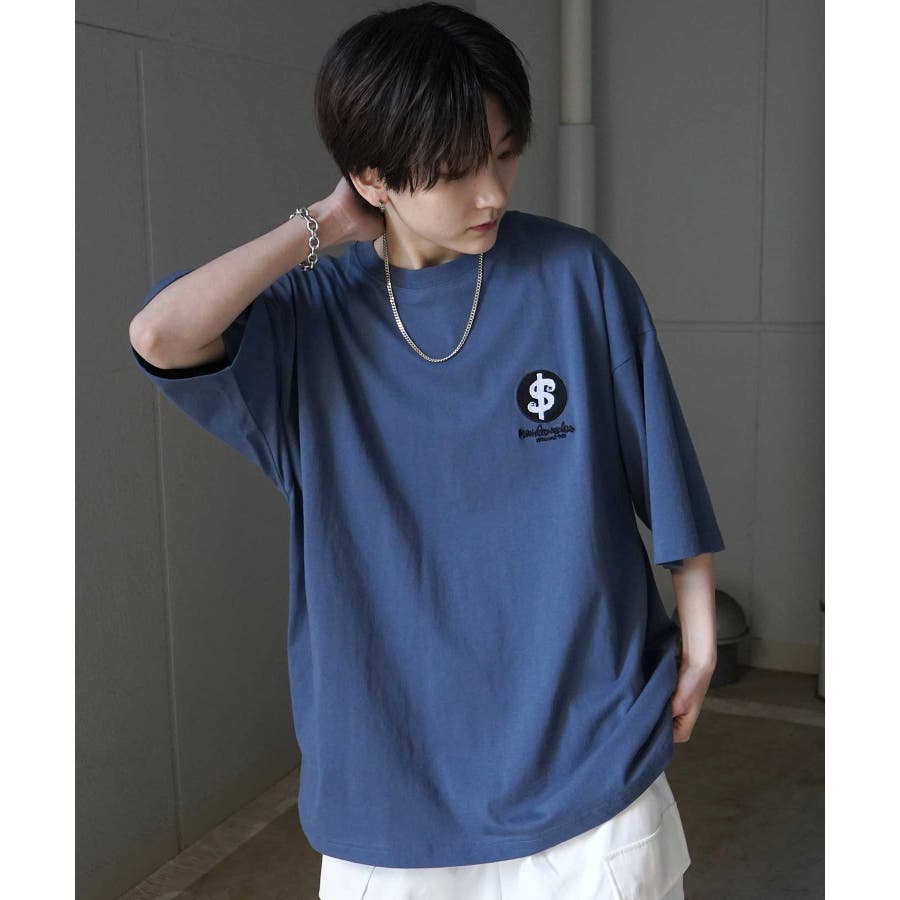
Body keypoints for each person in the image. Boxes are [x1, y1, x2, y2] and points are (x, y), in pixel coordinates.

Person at [128, 3, 724, 898]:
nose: (493, 193)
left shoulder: (575, 275)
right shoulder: (311, 319)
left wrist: (700, 627)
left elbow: (662, 458)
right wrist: (321, 225)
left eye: (505, 154)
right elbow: (160, 336)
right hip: (389, 777)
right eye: (455, 170)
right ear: (373, 175)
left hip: (586, 752)